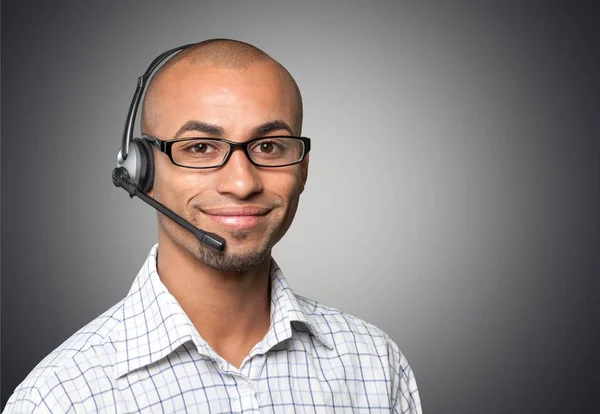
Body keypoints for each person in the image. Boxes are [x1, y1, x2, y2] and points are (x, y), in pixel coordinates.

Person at [4, 38, 422, 413]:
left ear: (303, 170)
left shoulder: (374, 365)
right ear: (140, 170)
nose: (242, 183)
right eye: (200, 147)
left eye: (269, 146)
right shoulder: (61, 398)